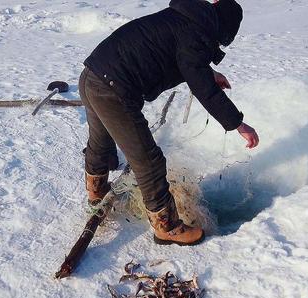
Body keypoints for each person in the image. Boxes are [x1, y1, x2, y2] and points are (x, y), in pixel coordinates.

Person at [78, 0, 259, 246]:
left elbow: (179, 56)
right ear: (222, 30)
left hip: (92, 74)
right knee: (148, 160)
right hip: (113, 90)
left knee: (100, 141)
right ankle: (167, 227)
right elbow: (203, 88)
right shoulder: (196, 35)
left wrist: (209, 74)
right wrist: (238, 124)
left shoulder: (184, 18)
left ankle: (96, 194)